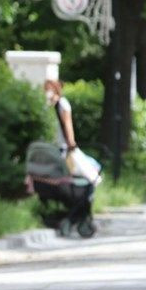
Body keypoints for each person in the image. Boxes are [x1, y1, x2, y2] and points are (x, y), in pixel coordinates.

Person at [44, 79, 98, 234]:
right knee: (90, 175)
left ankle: (80, 213)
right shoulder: (62, 104)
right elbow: (68, 126)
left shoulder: (50, 106)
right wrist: (72, 144)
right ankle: (82, 212)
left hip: (57, 150)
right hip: (64, 150)